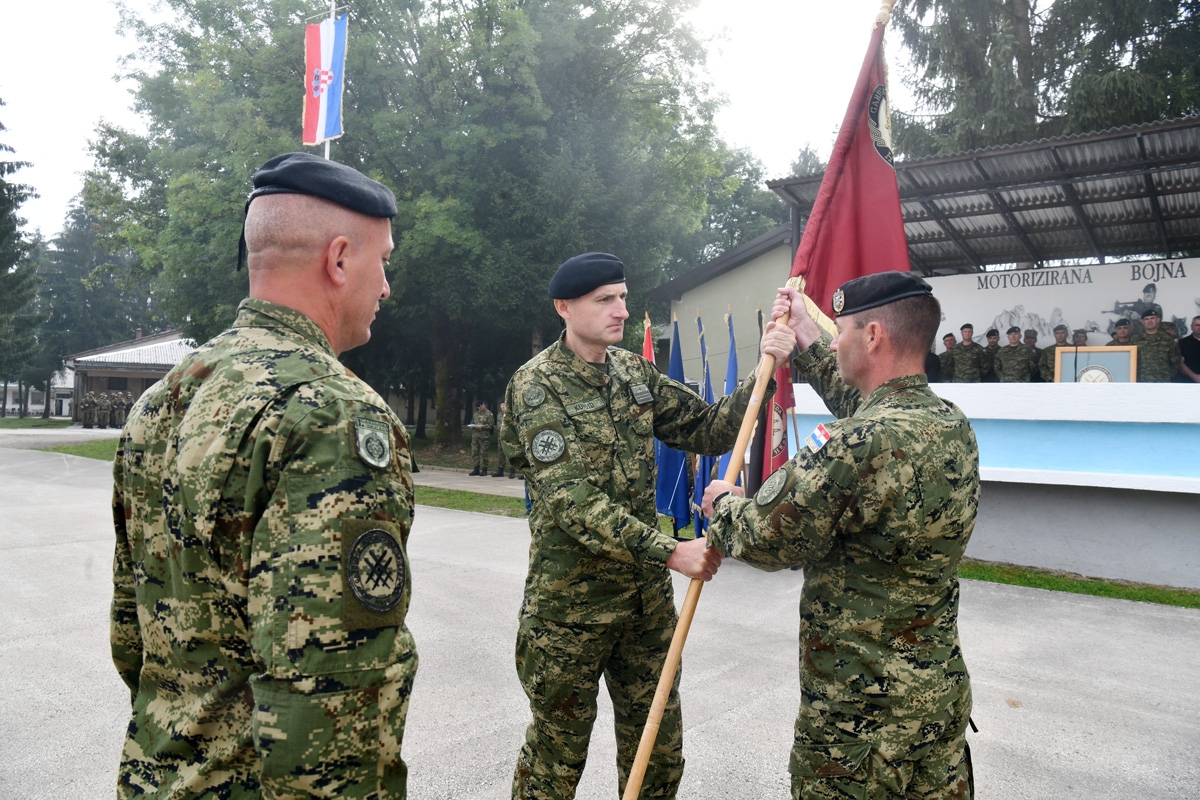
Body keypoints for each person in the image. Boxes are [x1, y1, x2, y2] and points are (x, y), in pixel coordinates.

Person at [110, 153, 417, 797]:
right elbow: (331, 692)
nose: (386, 286)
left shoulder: (162, 399)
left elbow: (132, 635)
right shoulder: (330, 412)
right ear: (338, 260)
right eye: (382, 260)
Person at [499, 251, 794, 800]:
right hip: (571, 610)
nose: (621, 310)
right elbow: (572, 501)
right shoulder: (536, 386)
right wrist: (670, 550)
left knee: (656, 749)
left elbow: (707, 428)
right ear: (564, 307)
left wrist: (764, 370)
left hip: (643, 606)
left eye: (624, 297)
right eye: (605, 299)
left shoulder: (634, 373)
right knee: (556, 757)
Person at [701, 272, 977, 800]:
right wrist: (805, 334)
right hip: (935, 700)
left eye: (841, 329)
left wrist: (724, 505)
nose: (835, 340)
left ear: (873, 336)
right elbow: (871, 409)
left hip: (861, 720)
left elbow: (765, 538)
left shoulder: (857, 445)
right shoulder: (949, 423)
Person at [1131, 308, 1182, 383]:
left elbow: (1176, 359)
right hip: (1141, 381)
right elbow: (1130, 360)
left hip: (1162, 380)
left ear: (1158, 320)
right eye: (1146, 319)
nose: (1150, 321)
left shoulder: (1168, 339)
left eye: (1152, 318)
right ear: (1142, 322)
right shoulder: (1135, 340)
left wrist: (1165, 372)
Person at [469, 400, 495, 476]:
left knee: (484, 453)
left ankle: (484, 469)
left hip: (484, 436)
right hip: (475, 436)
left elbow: (491, 425)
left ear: (484, 405)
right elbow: (472, 422)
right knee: (474, 453)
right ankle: (476, 468)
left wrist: (483, 427)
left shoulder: (489, 414)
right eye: (478, 408)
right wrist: (472, 426)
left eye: (481, 407)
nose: (480, 408)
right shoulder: (476, 413)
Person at [1176, 316, 1200, 383]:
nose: (1199, 327)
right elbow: (1179, 364)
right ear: (1191, 327)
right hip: (1187, 383)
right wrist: (1195, 377)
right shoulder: (1182, 343)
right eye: (1197, 325)